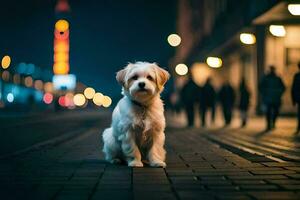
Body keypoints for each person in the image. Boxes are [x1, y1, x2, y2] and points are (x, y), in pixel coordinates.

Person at [259, 66, 285, 130]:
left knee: (275, 112)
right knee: (268, 112)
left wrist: (279, 93)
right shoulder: (266, 78)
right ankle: (269, 125)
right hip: (269, 98)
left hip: (275, 98)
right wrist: (265, 93)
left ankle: (273, 123)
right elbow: (260, 87)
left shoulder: (278, 78)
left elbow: (283, 87)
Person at [291, 62, 300, 133]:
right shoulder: (297, 76)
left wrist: (293, 99)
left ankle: (298, 128)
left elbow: (294, 88)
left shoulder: (297, 76)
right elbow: (294, 88)